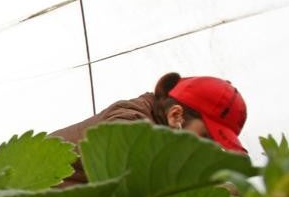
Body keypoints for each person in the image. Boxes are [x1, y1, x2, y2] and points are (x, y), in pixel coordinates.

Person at [49, 73, 247, 187]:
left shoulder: (164, 136)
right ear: (176, 115)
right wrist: (222, 191)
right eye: (206, 138)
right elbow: (133, 165)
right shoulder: (130, 116)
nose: (207, 150)